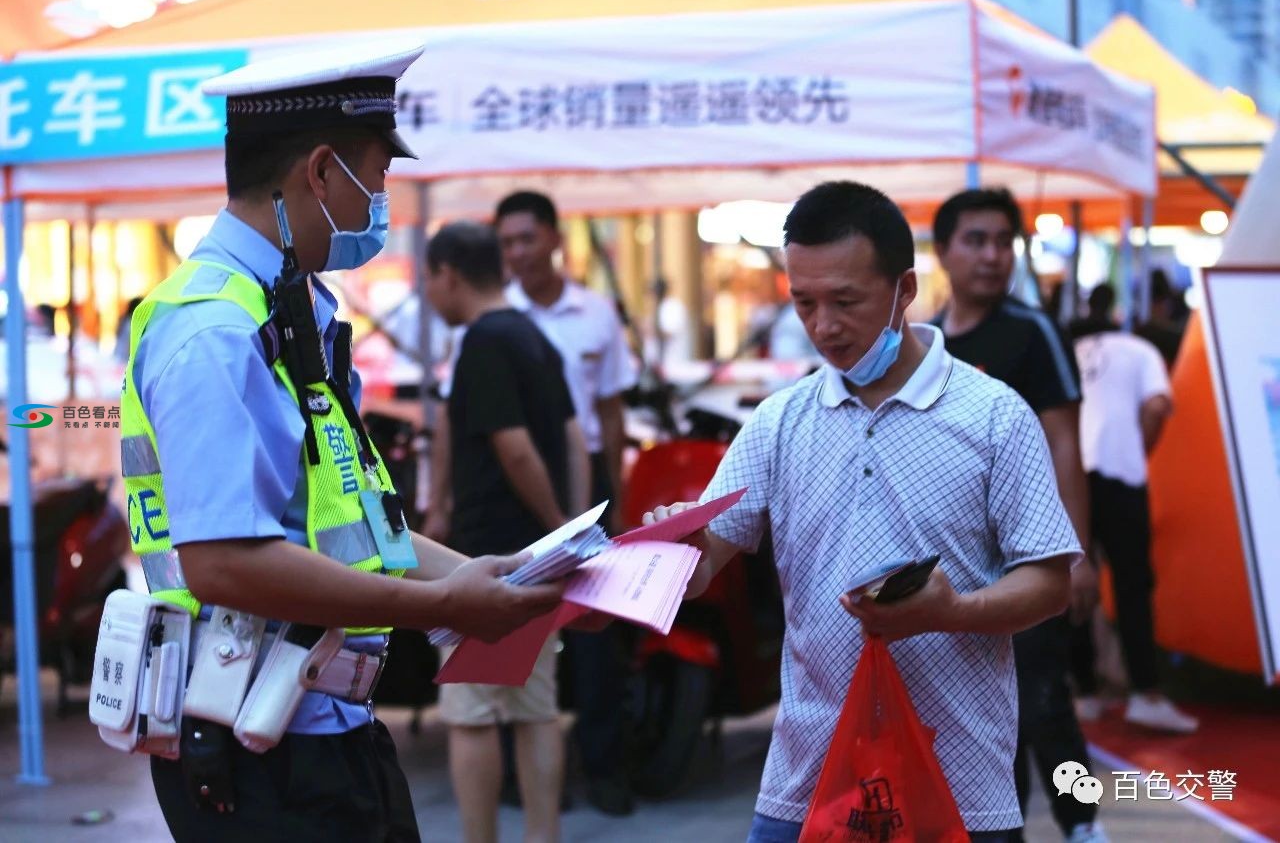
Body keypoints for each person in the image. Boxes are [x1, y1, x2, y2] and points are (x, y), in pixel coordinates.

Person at [125, 45, 565, 842]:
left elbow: (361, 528)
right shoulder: (213, 330)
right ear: (321, 172)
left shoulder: (296, 312)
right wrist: (441, 605)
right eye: (378, 177)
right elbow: (221, 559)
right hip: (254, 746)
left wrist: (494, 581)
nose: (380, 205)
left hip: (328, 725)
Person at [646, 181, 1078, 842]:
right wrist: (667, 547)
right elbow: (704, 563)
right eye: (804, 302)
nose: (823, 326)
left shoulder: (993, 417)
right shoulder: (778, 422)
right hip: (806, 782)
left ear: (904, 289)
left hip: (958, 783)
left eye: (846, 301)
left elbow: (1050, 583)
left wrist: (952, 612)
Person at [427, 190, 639, 815]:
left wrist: (555, 527)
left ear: (449, 276)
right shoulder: (533, 336)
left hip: (485, 552)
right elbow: (576, 437)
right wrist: (568, 529)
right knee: (535, 709)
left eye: (429, 280)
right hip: (536, 557)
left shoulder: (485, 341)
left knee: (472, 717)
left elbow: (515, 448)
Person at [932, 187, 1104, 843]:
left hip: (1030, 562)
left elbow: (1066, 442)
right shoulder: (928, 346)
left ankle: (1083, 823)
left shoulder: (1032, 332)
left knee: (1045, 703)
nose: (993, 255)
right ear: (944, 250)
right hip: (958, 573)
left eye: (1004, 241)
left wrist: (1077, 553)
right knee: (982, 719)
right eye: (976, 240)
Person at [1070, 285, 1198, 733]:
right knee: (1133, 584)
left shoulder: (1072, 349)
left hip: (1070, 475)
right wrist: (1138, 451)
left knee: (1074, 584)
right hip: (1120, 475)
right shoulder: (1142, 350)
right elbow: (1158, 405)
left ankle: (1085, 691)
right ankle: (1145, 691)